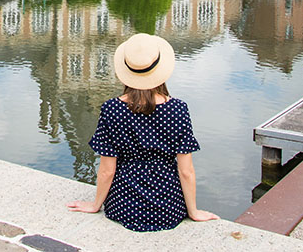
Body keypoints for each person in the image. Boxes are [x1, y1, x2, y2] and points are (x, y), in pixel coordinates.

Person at [67, 33, 219, 231]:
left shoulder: (111, 109)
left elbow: (107, 171)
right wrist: (194, 212)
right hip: (169, 207)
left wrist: (95, 205)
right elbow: (186, 171)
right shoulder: (178, 109)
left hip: (123, 206)